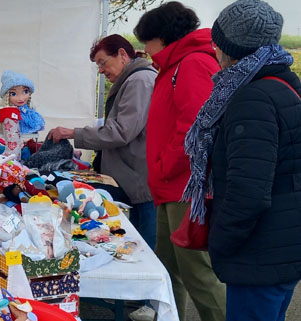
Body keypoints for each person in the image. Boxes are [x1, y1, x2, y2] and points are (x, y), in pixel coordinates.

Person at [182, 1, 301, 320]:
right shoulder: (284, 84)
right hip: (280, 246)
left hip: (259, 255)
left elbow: (248, 192)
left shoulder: (252, 98)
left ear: (228, 47)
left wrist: (221, 241)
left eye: (216, 42)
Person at [134, 2, 225, 321]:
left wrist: (163, 166)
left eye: (146, 41)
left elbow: (196, 126)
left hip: (186, 187)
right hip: (171, 186)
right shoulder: (175, 65)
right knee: (168, 273)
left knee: (197, 276)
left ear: (162, 37)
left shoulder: (192, 63)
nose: (145, 49)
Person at [49, 34, 157, 249]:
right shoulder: (132, 80)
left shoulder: (139, 81)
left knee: (143, 248)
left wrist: (73, 133)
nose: (100, 70)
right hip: (132, 181)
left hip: (141, 183)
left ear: (122, 55)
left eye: (102, 62)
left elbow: (120, 131)